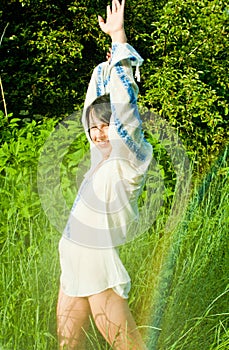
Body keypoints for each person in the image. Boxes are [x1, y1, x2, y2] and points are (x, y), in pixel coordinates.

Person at [56, 0, 152, 349]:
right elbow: (95, 101)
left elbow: (123, 109)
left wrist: (119, 38)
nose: (98, 133)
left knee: (127, 346)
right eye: (93, 128)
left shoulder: (129, 159)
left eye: (105, 127)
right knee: (67, 347)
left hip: (98, 262)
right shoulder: (99, 156)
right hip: (73, 259)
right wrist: (108, 67)